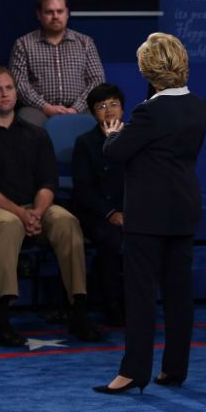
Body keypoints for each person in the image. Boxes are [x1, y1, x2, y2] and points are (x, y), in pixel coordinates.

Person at [94, 33, 206, 394]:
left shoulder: (148, 112)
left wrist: (113, 134)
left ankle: (134, 371)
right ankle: (174, 369)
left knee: (141, 294)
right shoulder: (198, 106)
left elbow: (115, 154)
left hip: (148, 216)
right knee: (179, 293)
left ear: (148, 69)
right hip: (184, 210)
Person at [0, 67, 100, 347]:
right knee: (7, 224)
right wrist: (22, 215)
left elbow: (48, 181)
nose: (5, 93)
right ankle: (0, 318)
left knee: (66, 220)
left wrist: (35, 212)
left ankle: (79, 310)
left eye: (9, 88)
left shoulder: (36, 134)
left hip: (32, 208)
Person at [9, 0, 105, 127]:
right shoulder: (23, 44)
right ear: (39, 15)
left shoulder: (85, 42)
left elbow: (97, 80)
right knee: (26, 121)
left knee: (99, 119)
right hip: (38, 110)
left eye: (60, 11)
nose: (55, 16)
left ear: (67, 14)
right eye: (49, 12)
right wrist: (46, 107)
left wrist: (76, 108)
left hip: (81, 108)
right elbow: (19, 84)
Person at [71, 83, 126, 325]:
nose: (109, 111)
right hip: (98, 213)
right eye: (102, 106)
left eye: (114, 104)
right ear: (93, 113)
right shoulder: (85, 143)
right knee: (112, 240)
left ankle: (140, 303)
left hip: (132, 211)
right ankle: (112, 305)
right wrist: (111, 212)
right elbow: (84, 189)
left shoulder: (134, 139)